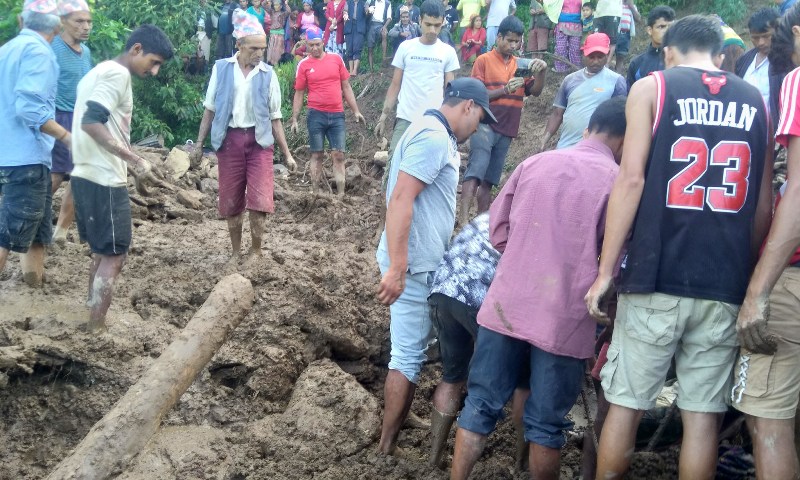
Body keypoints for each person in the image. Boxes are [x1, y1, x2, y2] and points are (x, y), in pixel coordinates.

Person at [584, 15, 774, 479]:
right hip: (724, 283)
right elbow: (763, 204)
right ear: (720, 52)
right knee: (702, 420)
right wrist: (747, 275)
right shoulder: (756, 101)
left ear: (668, 50)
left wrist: (606, 271)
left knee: (626, 405)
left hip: (656, 276)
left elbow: (630, 180)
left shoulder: (652, 88)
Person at [451, 97, 627, 480]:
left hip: (506, 307)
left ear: (588, 129)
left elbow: (497, 232)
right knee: (547, 423)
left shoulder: (534, 162)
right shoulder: (619, 184)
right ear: (625, 142)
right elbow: (618, 263)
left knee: (479, 404)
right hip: (564, 321)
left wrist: (524, 261)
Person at [375, 77, 496, 456]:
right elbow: (400, 200)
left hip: (415, 260)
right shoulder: (431, 137)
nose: (477, 128)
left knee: (411, 349)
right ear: (468, 107)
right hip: (411, 264)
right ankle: (387, 446)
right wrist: (397, 267)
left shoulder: (426, 130)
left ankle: (400, 417)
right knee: (407, 355)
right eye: (479, 119)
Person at [730, 7, 800, 479]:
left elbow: (797, 190)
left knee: (769, 422)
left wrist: (757, 290)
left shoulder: (796, 81)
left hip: (792, 275)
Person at [70, 25, 174, 332]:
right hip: (104, 177)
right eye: (153, 62)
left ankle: (91, 317)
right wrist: (136, 160)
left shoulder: (96, 72)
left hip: (85, 173)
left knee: (103, 252)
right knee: (115, 256)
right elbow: (92, 122)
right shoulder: (117, 75)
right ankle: (96, 327)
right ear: (137, 49)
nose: (154, 72)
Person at [190, 10, 297, 267]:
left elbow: (275, 117)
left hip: (260, 143)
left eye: (262, 48)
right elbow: (210, 108)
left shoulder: (267, 74)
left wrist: (287, 153)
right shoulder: (221, 68)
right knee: (231, 199)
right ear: (239, 45)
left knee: (260, 199)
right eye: (254, 48)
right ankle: (236, 252)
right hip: (229, 142)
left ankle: (256, 251)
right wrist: (199, 145)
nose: (259, 53)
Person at [0, 0, 69, 287]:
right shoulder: (40, 52)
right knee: (6, 234)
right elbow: (29, 108)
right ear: (58, 26)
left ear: (21, 21)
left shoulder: (7, 50)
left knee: (36, 233)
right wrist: (67, 137)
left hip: (13, 154)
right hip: (25, 157)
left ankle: (34, 287)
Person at [426, 211, 501, 467]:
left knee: (452, 377)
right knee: (483, 384)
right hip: (477, 298)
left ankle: (434, 459)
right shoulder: (530, 225)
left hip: (443, 290)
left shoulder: (487, 216)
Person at [460, 16, 546, 225]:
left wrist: (542, 71)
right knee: (475, 172)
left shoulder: (521, 64)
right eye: (509, 40)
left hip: (507, 127)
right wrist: (504, 90)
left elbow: (535, 91)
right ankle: (462, 221)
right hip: (485, 125)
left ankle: (479, 224)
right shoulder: (484, 60)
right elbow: (476, 94)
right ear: (498, 37)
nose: (513, 45)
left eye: (517, 41)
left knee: (490, 180)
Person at [374, 0, 459, 163]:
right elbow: (395, 84)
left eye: (437, 25)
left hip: (433, 121)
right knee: (394, 165)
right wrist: (383, 116)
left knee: (427, 169)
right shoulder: (406, 48)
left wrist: (449, 124)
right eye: (428, 24)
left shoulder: (448, 52)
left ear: (442, 23)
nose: (432, 30)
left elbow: (450, 92)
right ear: (419, 20)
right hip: (405, 118)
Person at [291, 26, 365, 196]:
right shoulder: (303, 65)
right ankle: (315, 192)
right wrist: (294, 119)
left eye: (317, 44)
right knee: (316, 154)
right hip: (315, 115)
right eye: (311, 45)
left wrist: (356, 111)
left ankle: (340, 195)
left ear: (323, 42)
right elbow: (299, 93)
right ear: (307, 45)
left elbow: (346, 87)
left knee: (338, 154)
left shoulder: (336, 59)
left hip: (337, 115)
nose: (315, 49)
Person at [50, 0, 93, 247]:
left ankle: (60, 233)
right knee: (56, 175)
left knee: (80, 176)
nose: (86, 27)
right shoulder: (51, 47)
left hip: (80, 119)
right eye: (79, 21)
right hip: (56, 117)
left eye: (88, 22)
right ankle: (32, 219)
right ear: (62, 22)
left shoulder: (85, 52)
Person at [541, 32, 626, 151]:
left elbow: (619, 119)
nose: (596, 61)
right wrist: (544, 141)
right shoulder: (569, 80)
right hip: (565, 146)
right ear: (583, 54)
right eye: (591, 57)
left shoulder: (617, 81)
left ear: (607, 55)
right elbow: (557, 114)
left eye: (600, 56)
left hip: (595, 150)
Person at [735, 7, 783, 128]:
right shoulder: (744, 60)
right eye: (755, 38)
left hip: (773, 133)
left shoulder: (785, 63)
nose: (761, 42)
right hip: (744, 128)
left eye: (766, 36)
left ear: (779, 32)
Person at [626, 4, 674, 89]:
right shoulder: (637, 64)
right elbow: (630, 97)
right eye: (661, 27)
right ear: (649, 30)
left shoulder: (683, 60)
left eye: (671, 26)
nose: (667, 31)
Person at [553, 0, 581, 73]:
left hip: (576, 25)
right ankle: (560, 69)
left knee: (575, 49)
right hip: (562, 24)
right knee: (560, 48)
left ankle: (576, 69)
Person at [613, 0, 640, 73]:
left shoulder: (632, 7)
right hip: (614, 33)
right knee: (608, 55)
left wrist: (631, 6)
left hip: (625, 35)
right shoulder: (615, 4)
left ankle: (618, 77)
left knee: (621, 57)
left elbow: (638, 19)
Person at [366, 0, 392, 70]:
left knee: (384, 33)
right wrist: (368, 9)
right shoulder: (370, 1)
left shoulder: (387, 3)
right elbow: (365, 10)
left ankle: (384, 58)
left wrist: (384, 26)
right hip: (371, 25)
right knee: (370, 48)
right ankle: (371, 69)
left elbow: (389, 18)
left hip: (381, 24)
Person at [343, 0, 368, 74]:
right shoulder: (348, 2)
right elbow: (345, 11)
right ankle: (350, 70)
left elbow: (366, 12)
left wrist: (367, 10)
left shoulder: (364, 3)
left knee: (357, 48)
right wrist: (345, 14)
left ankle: (355, 70)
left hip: (359, 28)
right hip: (349, 27)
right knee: (349, 49)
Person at [594, 0, 622, 65]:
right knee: (597, 38)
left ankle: (606, 64)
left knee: (611, 40)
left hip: (613, 12)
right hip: (599, 12)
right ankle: (598, 62)